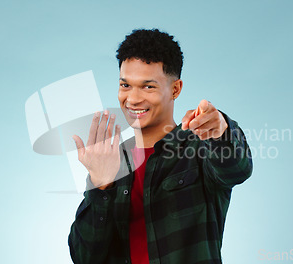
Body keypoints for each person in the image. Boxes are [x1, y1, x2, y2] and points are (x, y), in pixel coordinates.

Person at [68, 28, 253, 264]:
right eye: (125, 85)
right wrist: (100, 185)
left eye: (148, 87)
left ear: (175, 89)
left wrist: (221, 130)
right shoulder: (113, 159)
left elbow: (237, 169)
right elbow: (84, 257)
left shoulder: (199, 146)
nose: (133, 99)